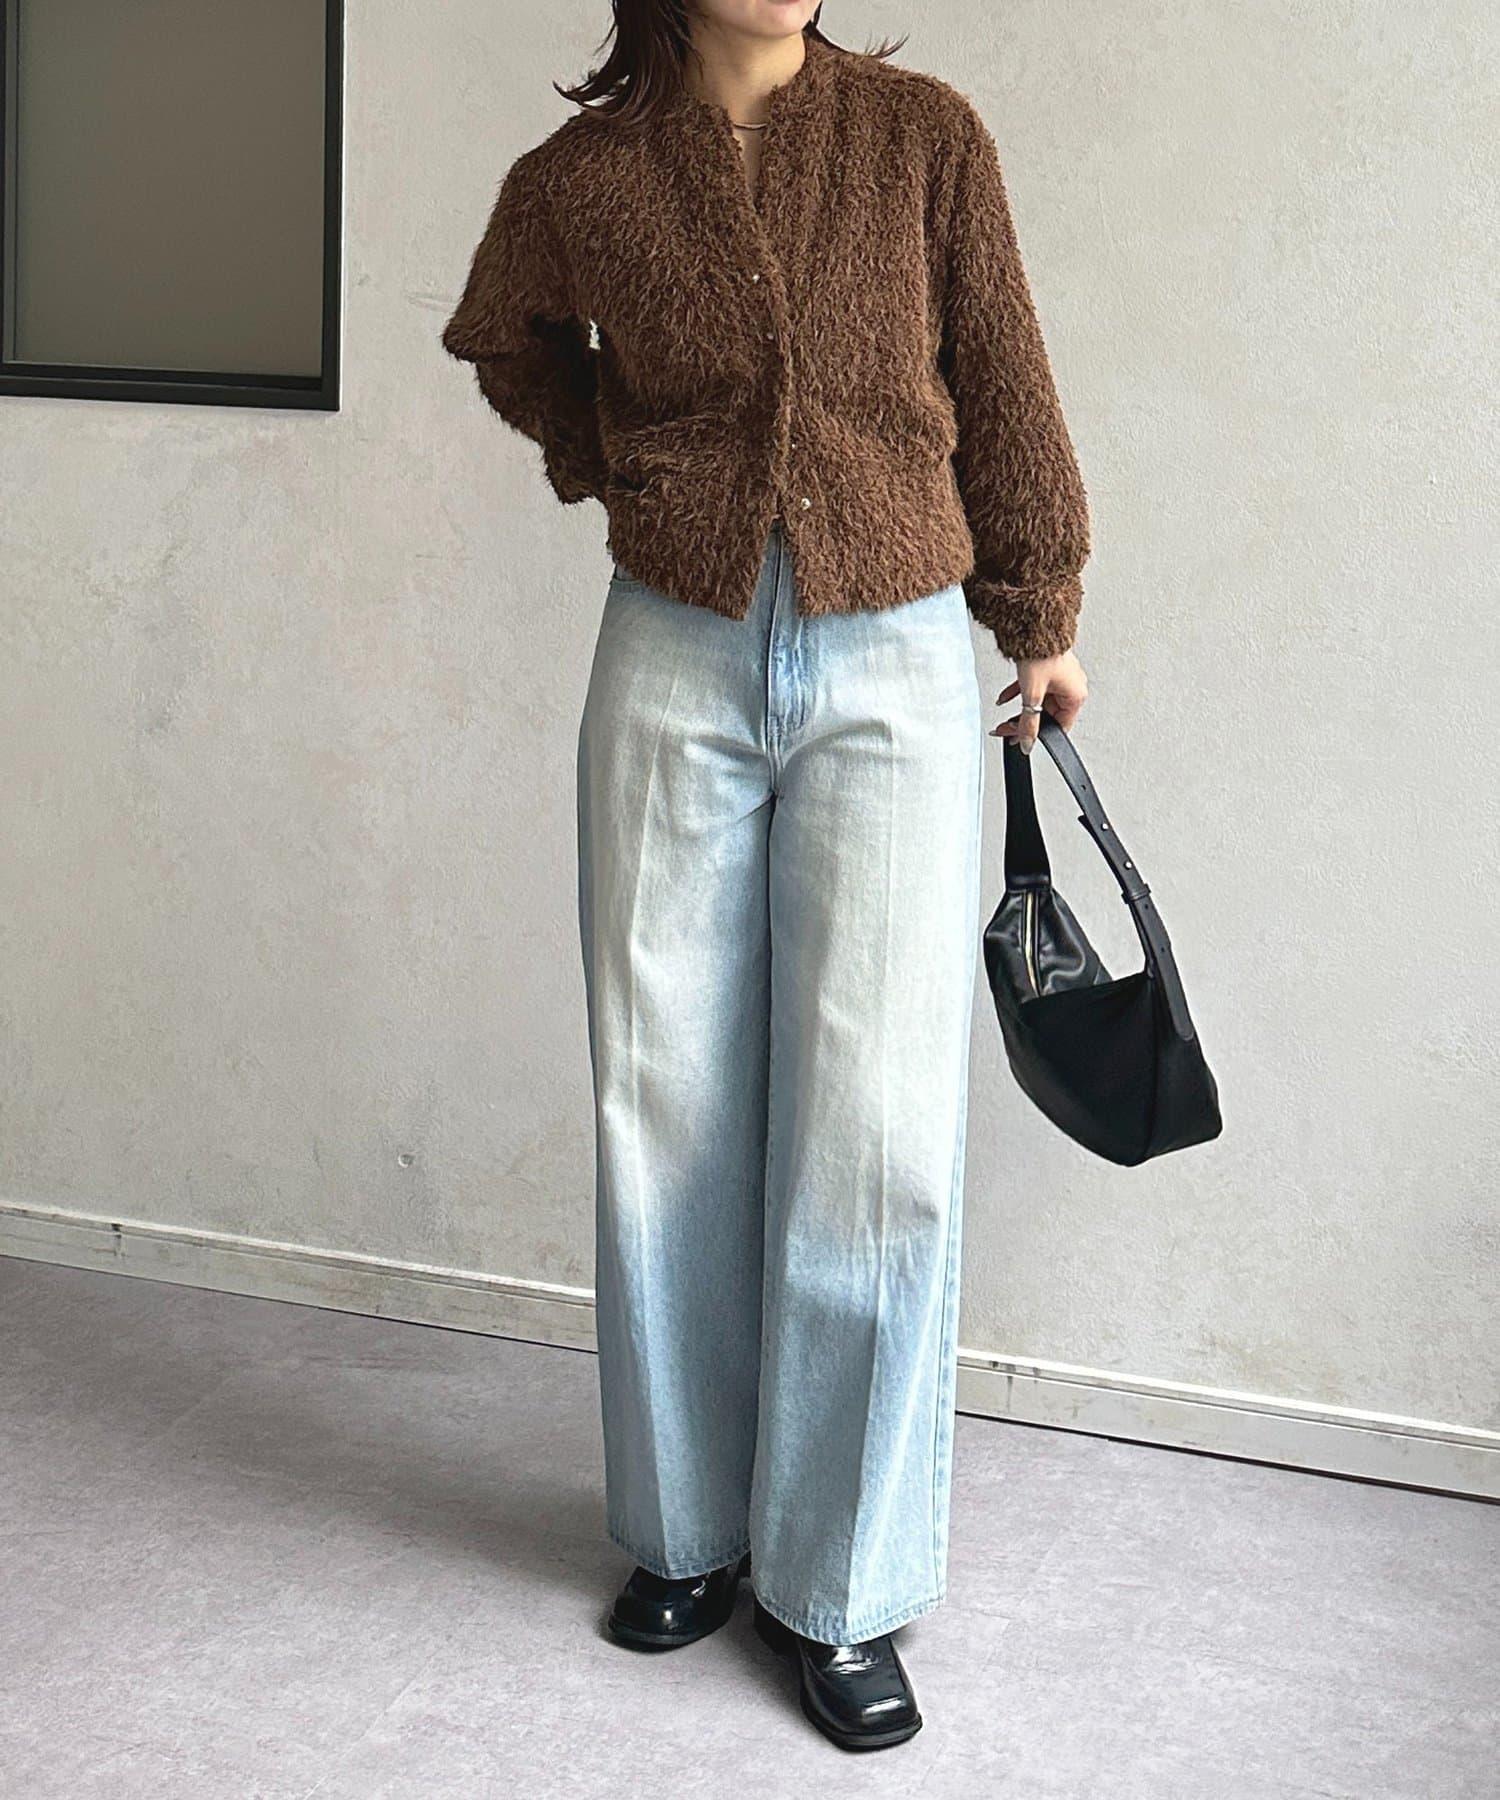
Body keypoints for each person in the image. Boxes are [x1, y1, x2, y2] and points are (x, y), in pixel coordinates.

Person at [441, 0, 1090, 1752]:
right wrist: (619, 463)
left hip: (894, 652)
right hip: (674, 641)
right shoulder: (587, 176)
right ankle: (685, 1534)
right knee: (663, 1095)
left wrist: (1038, 610)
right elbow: (503, 335)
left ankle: (846, 1584)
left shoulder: (923, 137)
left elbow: (1003, 371)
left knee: (877, 1127)